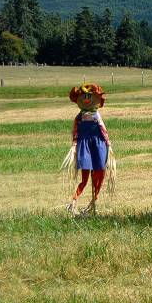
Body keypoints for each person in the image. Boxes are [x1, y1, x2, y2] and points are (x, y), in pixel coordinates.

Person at [63, 83, 115, 216]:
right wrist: (75, 143)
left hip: (98, 146)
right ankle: (73, 202)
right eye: (84, 97)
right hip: (84, 146)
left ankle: (93, 201)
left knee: (99, 173)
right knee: (85, 177)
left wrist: (108, 144)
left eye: (89, 97)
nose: (87, 100)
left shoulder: (96, 116)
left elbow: (103, 130)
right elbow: (75, 131)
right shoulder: (79, 117)